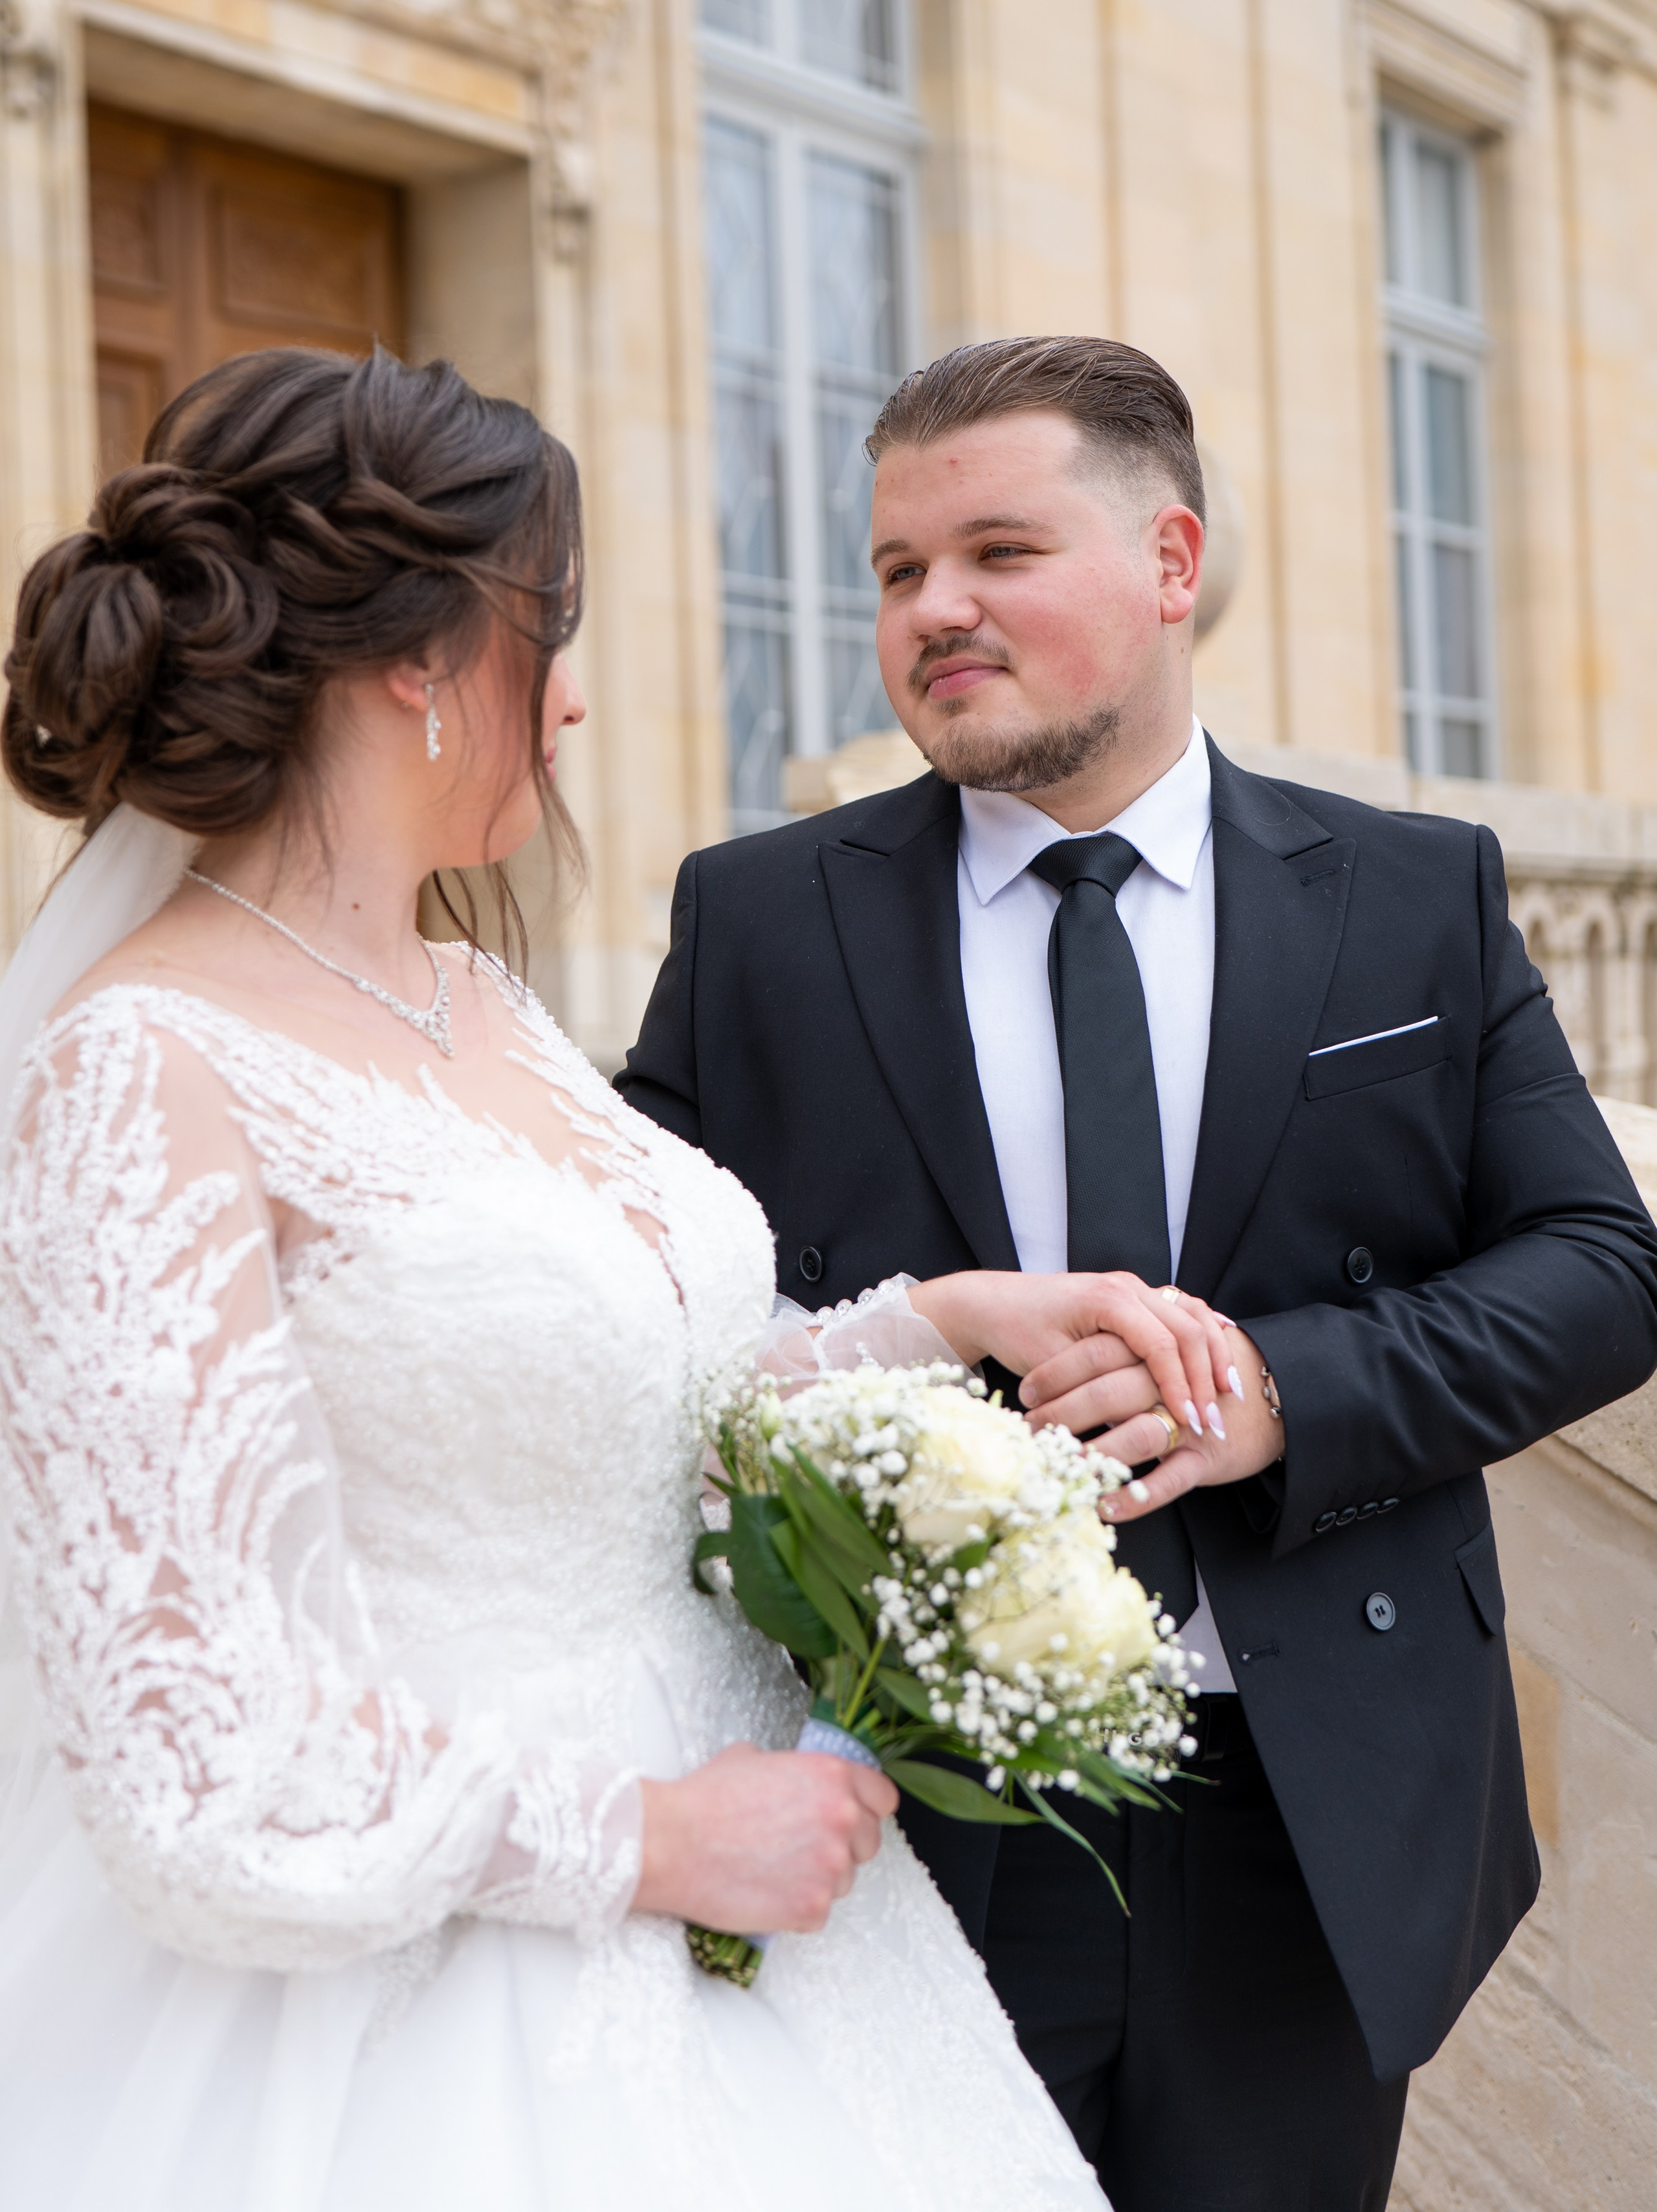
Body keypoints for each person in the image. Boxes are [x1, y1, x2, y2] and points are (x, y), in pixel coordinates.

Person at [0, 344, 1215, 2209]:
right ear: (417, 656)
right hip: (441, 2013)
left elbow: (608, 1418)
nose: (571, 707)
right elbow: (189, 1771)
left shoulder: (467, 991)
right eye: (544, 636)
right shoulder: (139, 1065)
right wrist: (644, 1840)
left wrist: (936, 1321)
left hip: (793, 1945)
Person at [619, 333, 1657, 2212]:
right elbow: (644, 1323)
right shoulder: (757, 919)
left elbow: (1601, 1268)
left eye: (1000, 554)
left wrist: (1284, 1389)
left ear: (1173, 565)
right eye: (896, 570)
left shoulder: (1415, 893)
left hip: (1308, 1811)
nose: (935, 610)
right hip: (908, 1810)